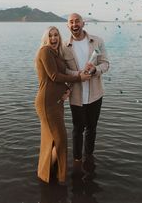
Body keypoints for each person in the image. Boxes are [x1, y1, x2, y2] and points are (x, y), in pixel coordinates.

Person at [35, 26, 91, 184]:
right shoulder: (45, 51)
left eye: (56, 36)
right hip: (47, 103)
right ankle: (54, 175)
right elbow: (53, 76)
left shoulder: (56, 53)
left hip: (56, 102)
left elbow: (58, 77)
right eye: (51, 35)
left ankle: (46, 174)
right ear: (46, 38)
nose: (54, 38)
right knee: (61, 140)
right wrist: (79, 78)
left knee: (51, 140)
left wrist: (66, 89)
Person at [62, 13, 109, 175]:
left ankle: (89, 156)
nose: (75, 24)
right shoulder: (63, 46)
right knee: (77, 129)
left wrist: (95, 70)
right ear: (67, 26)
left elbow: (106, 64)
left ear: (83, 23)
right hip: (76, 95)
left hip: (96, 93)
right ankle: (77, 160)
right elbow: (63, 70)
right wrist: (78, 75)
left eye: (77, 21)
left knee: (92, 127)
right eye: (71, 22)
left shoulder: (97, 41)